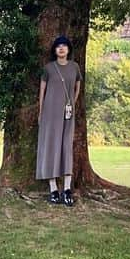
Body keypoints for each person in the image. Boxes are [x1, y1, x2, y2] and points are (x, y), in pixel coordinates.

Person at [36, 36, 81, 206]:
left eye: (64, 46)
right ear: (54, 50)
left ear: (68, 49)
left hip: (67, 114)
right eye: (58, 46)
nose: (61, 49)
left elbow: (77, 87)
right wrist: (41, 112)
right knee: (50, 148)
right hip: (49, 114)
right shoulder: (48, 68)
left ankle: (67, 189)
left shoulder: (74, 67)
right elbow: (42, 91)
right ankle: (53, 189)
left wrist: (72, 103)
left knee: (66, 148)